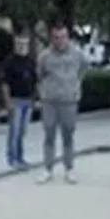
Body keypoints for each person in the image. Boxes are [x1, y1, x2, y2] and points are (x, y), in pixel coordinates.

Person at [36, 25, 90, 185]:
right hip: (50, 101)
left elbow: (85, 67)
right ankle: (48, 169)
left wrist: (76, 84)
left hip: (69, 100)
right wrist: (43, 91)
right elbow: (39, 74)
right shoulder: (45, 56)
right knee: (49, 135)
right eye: (56, 37)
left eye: (62, 37)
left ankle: (69, 168)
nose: (59, 41)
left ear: (68, 37)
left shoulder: (77, 54)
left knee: (68, 135)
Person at [1, 34, 37, 168]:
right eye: (19, 44)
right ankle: (12, 158)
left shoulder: (30, 62)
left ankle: (20, 157)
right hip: (16, 100)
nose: (22, 47)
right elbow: (5, 83)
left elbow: (35, 80)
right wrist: (7, 101)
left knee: (22, 131)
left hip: (28, 100)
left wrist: (35, 97)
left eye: (24, 44)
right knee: (14, 131)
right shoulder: (9, 62)